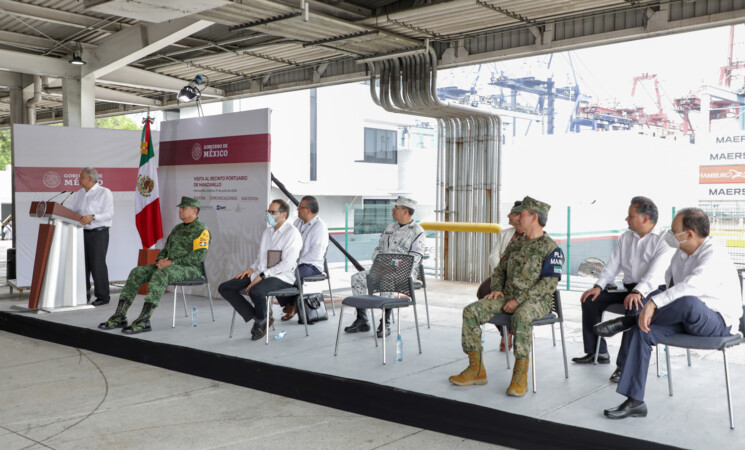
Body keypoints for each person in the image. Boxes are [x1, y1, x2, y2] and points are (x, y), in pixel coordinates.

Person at [597, 208, 742, 419]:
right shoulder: (681, 254)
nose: (669, 236)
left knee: (687, 302)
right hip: (683, 316)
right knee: (643, 330)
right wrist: (649, 302)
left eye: (674, 231)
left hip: (717, 322)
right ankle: (635, 401)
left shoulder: (714, 254)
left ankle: (628, 321)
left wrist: (654, 304)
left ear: (690, 234)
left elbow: (690, 287)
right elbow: (667, 287)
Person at [449, 196, 564, 397]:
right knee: (472, 311)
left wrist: (519, 300)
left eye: (522, 214)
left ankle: (520, 376)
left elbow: (549, 284)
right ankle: (476, 370)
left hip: (537, 301)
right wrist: (496, 289)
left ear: (534, 217)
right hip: (508, 296)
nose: (517, 217)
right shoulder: (516, 244)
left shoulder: (552, 249)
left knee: (522, 315)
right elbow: (500, 270)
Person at [573, 196, 673, 383]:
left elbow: (656, 273)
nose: (626, 219)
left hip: (653, 290)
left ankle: (624, 366)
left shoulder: (664, 240)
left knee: (635, 307)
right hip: (628, 287)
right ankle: (597, 352)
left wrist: (638, 292)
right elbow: (613, 265)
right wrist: (598, 286)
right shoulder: (626, 237)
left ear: (645, 218)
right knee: (590, 300)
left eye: (630, 216)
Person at [99, 196, 210, 334]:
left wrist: (171, 262)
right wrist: (161, 260)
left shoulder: (202, 230)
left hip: (190, 269)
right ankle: (120, 316)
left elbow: (197, 257)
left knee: (161, 274)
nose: (180, 210)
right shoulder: (178, 228)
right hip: (168, 265)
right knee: (137, 272)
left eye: (183, 208)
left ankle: (144, 320)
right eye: (180, 208)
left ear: (194, 210)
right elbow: (165, 248)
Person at [218, 199, 302, 341]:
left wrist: (263, 275)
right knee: (225, 288)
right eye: (268, 211)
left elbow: (287, 264)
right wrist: (251, 269)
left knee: (256, 290)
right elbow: (261, 257)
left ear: (284, 214)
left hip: (282, 277)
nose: (269, 215)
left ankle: (260, 320)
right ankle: (261, 317)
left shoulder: (292, 233)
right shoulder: (267, 232)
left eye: (273, 212)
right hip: (261, 273)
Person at [344, 196, 425, 338]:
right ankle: (362, 319)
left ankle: (385, 321)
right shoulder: (389, 228)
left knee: (387, 279)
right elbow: (378, 250)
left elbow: (415, 258)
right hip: (382, 269)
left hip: (403, 273)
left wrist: (391, 266)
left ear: (405, 211)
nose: (393, 210)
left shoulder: (417, 232)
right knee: (357, 278)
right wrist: (381, 264)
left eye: (396, 208)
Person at [476, 200, 525, 352]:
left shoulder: (531, 236)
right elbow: (493, 255)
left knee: (506, 297)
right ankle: (505, 331)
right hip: (500, 274)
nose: (508, 215)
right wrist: (501, 272)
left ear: (519, 216)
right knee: (484, 292)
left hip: (520, 281)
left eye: (511, 212)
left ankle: (508, 333)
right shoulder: (505, 233)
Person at [68, 167, 114, 306]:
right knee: (83, 265)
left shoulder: (104, 192)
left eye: (81, 177)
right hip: (81, 232)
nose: (78, 179)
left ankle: (103, 296)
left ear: (90, 178)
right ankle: (83, 296)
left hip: (98, 233)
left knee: (97, 264)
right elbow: (72, 210)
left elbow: (109, 213)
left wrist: (93, 217)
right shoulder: (79, 193)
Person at [281, 195, 329, 321]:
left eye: (300, 207)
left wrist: (295, 262)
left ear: (307, 210)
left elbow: (316, 254)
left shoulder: (320, 227)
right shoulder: (297, 223)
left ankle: (292, 305)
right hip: (296, 262)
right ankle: (289, 303)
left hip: (312, 265)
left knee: (292, 273)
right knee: (278, 271)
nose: (297, 209)